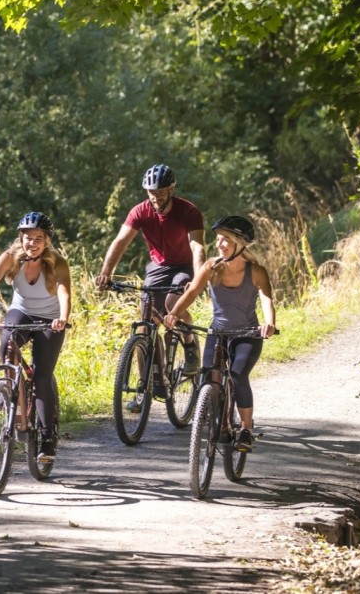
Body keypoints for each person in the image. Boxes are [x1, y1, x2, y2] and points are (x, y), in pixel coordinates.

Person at [0, 211, 71, 462]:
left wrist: (63, 317)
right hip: (22, 313)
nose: (33, 243)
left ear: (47, 240)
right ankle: (8, 391)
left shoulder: (57, 261)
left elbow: (64, 292)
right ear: (21, 238)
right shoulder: (9, 258)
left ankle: (47, 438)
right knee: (8, 339)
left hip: (51, 319)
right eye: (28, 238)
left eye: (38, 238)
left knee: (41, 377)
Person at [164, 215, 276, 451]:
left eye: (226, 239)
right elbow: (192, 292)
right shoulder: (211, 267)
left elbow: (266, 299)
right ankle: (217, 420)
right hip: (219, 333)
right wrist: (174, 313)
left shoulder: (256, 271)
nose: (220, 244)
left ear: (240, 242)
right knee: (209, 375)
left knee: (237, 375)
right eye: (218, 240)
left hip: (248, 335)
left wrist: (269, 323)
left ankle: (245, 429)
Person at [96, 163, 205, 372]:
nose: (156, 197)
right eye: (151, 192)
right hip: (158, 266)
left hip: (183, 265)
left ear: (171, 190)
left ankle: (190, 345)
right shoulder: (140, 211)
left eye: (161, 192)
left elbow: (197, 247)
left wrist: (199, 275)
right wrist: (105, 273)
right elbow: (120, 242)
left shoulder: (188, 211)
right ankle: (147, 382)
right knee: (147, 321)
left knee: (174, 305)